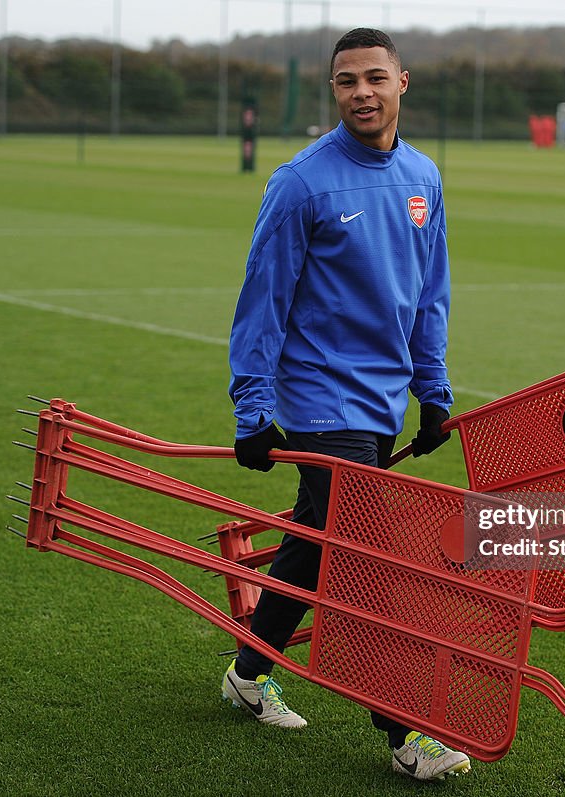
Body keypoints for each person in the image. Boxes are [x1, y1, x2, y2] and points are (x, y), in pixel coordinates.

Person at [222, 27, 469, 782]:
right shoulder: (302, 182)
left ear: (402, 82)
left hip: (382, 400)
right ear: (334, 92)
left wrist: (432, 390)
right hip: (321, 399)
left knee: (315, 541)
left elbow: (430, 299)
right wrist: (252, 409)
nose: (360, 91)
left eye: (373, 77)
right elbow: (261, 301)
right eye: (345, 81)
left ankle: (245, 671)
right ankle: (406, 733)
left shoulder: (424, 177)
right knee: (370, 558)